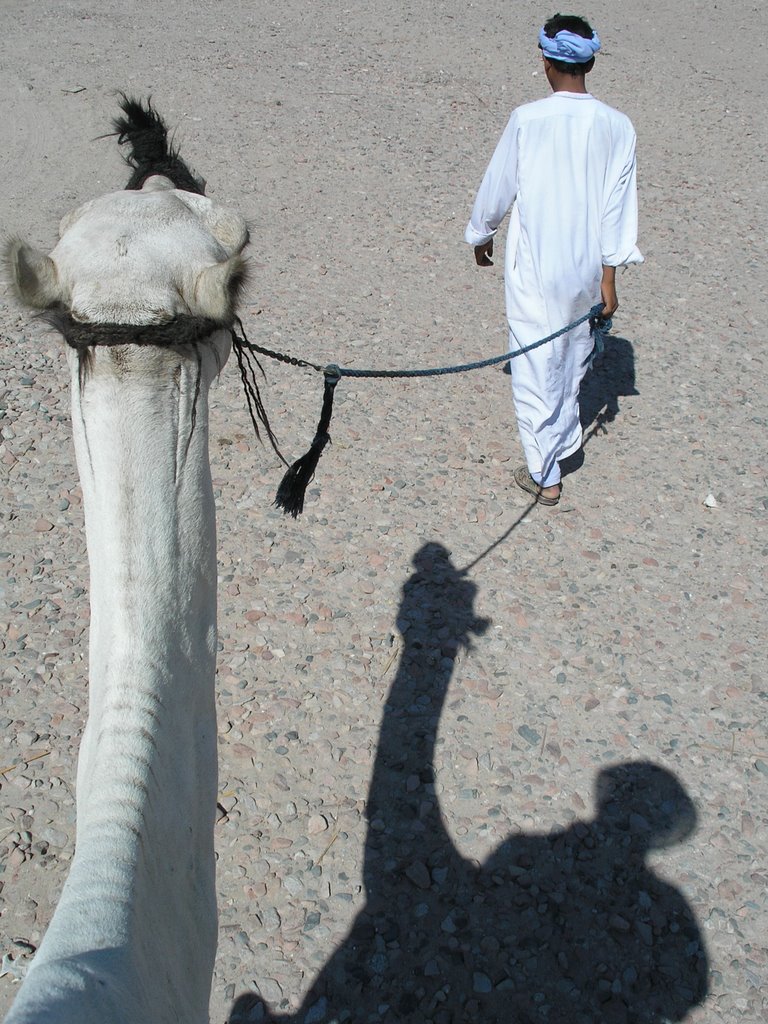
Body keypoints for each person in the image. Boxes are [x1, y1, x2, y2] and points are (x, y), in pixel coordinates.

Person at [465, 13, 642, 505]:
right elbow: (617, 209)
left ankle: (546, 475)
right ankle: (559, 445)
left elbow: (498, 186)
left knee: (532, 366)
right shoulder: (618, 126)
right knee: (569, 359)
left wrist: (482, 234)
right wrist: (610, 279)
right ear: (590, 61)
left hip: (536, 264)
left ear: (545, 61)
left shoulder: (528, 119)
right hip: (587, 268)